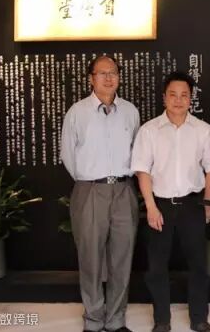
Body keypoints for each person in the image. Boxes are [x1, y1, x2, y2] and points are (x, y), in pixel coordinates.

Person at [131, 72, 210, 332]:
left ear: (191, 98)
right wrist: (151, 206)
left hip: (193, 204)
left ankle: (199, 318)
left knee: (198, 265)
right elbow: (142, 171)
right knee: (157, 266)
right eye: (173, 94)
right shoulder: (149, 131)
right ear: (164, 97)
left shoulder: (203, 130)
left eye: (184, 95)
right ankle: (162, 320)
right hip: (161, 205)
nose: (178, 100)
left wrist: (207, 203)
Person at [60, 55, 140, 332]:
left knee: (122, 258)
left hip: (124, 190)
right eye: (102, 73)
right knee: (90, 258)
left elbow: (137, 151)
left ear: (119, 76)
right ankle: (93, 320)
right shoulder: (77, 112)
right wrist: (90, 181)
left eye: (113, 72)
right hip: (89, 190)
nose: (108, 78)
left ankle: (116, 320)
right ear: (91, 78)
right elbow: (68, 155)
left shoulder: (130, 112)